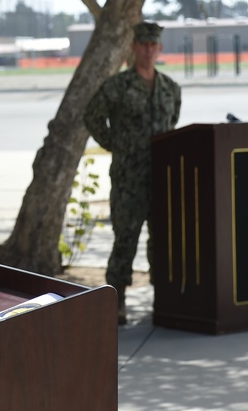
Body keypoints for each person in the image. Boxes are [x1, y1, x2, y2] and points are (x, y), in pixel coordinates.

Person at [83, 21, 181, 324]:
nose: (148, 50)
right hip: (128, 179)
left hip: (161, 178)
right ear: (134, 47)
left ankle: (163, 297)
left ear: (159, 49)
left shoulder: (170, 89)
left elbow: (172, 122)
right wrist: (116, 144)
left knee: (161, 240)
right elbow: (92, 116)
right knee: (125, 239)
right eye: (143, 45)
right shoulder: (117, 86)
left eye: (154, 45)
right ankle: (118, 301)